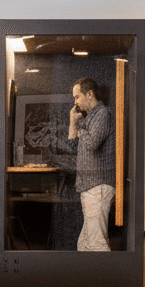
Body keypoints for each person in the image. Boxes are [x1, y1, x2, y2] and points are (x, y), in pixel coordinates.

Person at [60, 77, 116, 251]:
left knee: (96, 242)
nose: (75, 102)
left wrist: (80, 129)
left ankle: (106, 270)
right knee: (84, 244)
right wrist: (73, 123)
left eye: (77, 97)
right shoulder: (89, 118)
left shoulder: (103, 114)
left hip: (98, 187)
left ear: (89, 94)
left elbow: (91, 143)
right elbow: (73, 146)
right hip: (90, 187)